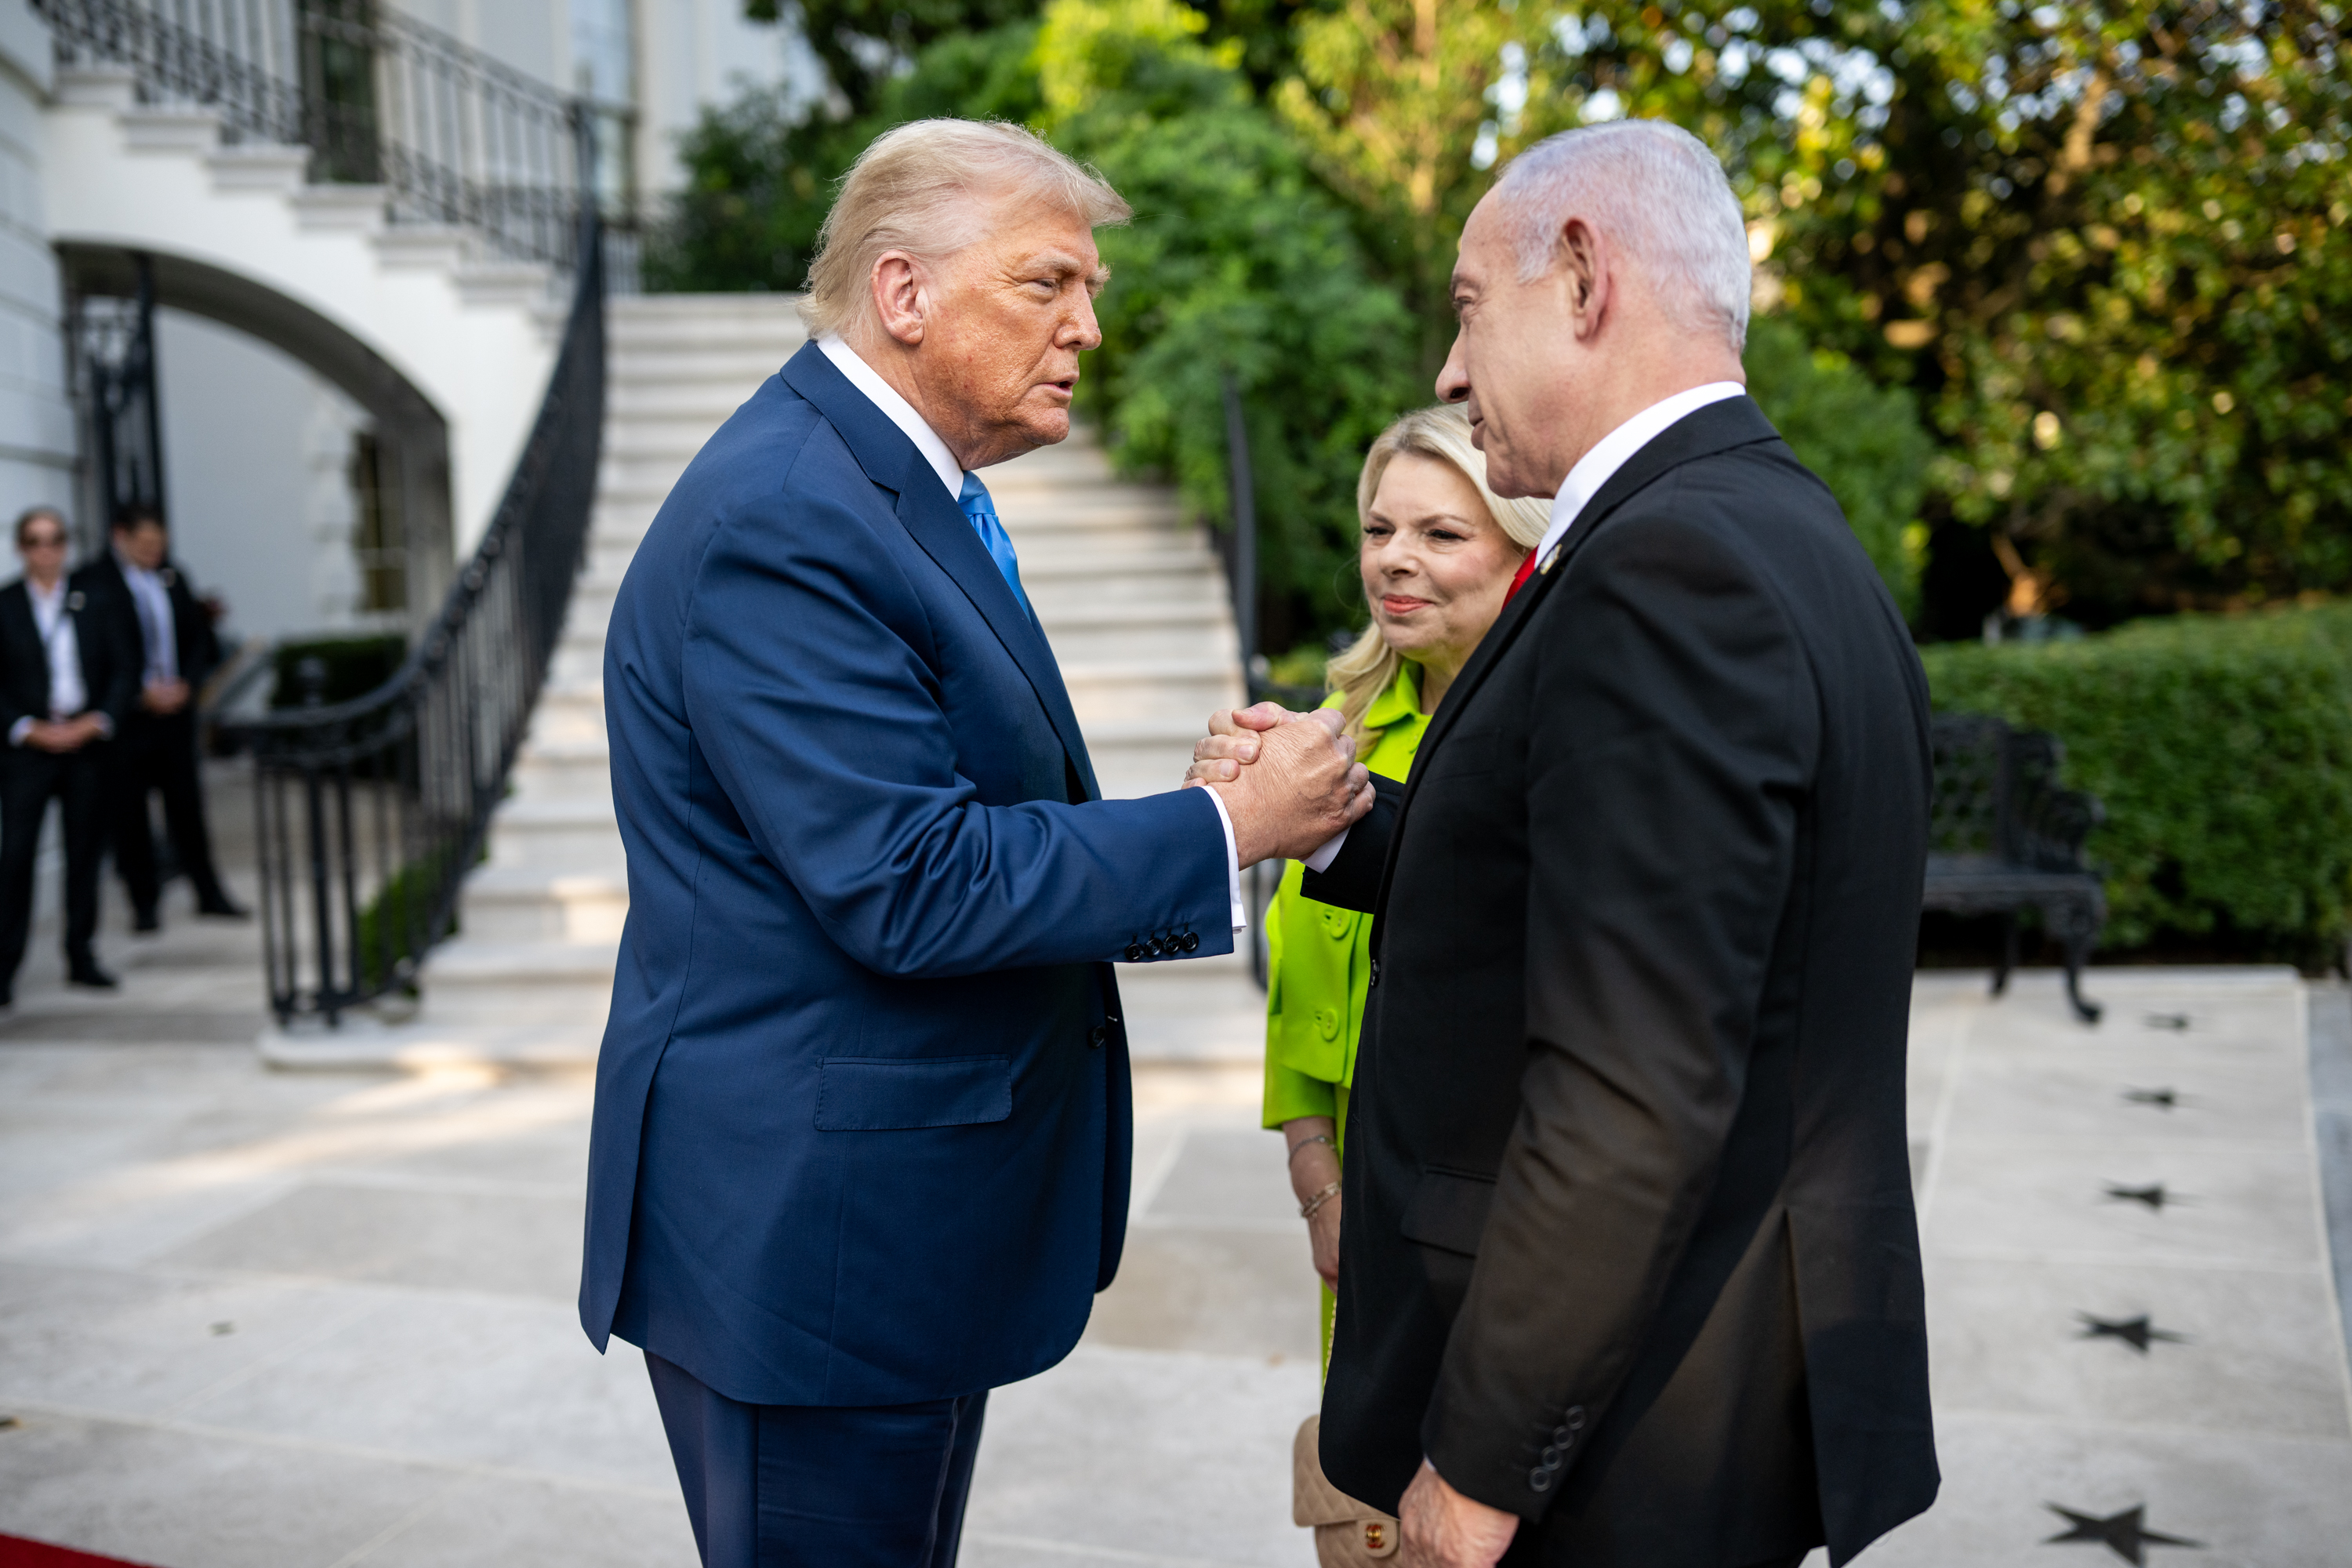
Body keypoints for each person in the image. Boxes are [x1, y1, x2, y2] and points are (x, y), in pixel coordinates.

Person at [578, 118, 1372, 1568]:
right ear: (904, 292)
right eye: (1046, 283)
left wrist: (1187, 815)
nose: (1087, 328)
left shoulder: (883, 484)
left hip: (884, 1228)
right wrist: (1225, 829)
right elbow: (909, 883)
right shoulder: (788, 515)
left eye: (1091, 292)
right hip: (816, 1251)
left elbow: (943, 809)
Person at [1191, 120, 1938, 1568]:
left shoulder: (1668, 566)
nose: (1447, 369)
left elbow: (1633, 1079)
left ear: (1585, 279)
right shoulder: (1775, 525)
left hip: (1635, 1432)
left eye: (1470, 307)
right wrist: (1333, 826)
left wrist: (1483, 1462)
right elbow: (1570, 885)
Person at [1264, 404, 1548, 1376]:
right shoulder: (1335, 733)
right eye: (1379, 529)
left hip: (1501, 1219)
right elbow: (1295, 981)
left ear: (1522, 551)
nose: (1393, 558)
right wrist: (1317, 1178)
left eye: (1441, 533)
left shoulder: (1555, 739)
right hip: (1354, 1211)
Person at [74, 504, 245, 929]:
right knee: (129, 814)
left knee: (187, 807)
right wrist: (136, 693)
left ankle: (208, 891)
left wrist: (187, 685)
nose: (154, 552)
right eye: (145, 544)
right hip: (127, 720)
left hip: (175, 715)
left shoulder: (173, 577)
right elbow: (91, 654)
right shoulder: (92, 582)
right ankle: (144, 903)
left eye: (159, 544)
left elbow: (197, 640)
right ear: (121, 537)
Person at [0, 507, 140, 1003]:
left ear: (66, 545)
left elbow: (124, 668)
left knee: (84, 853)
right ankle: (5, 968)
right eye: (36, 540)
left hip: (85, 746)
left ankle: (81, 954)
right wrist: (26, 729)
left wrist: (95, 721)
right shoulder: (6, 604)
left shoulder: (94, 600)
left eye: (55, 539)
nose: (47, 550)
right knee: (16, 857)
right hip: (28, 751)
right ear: (21, 547)